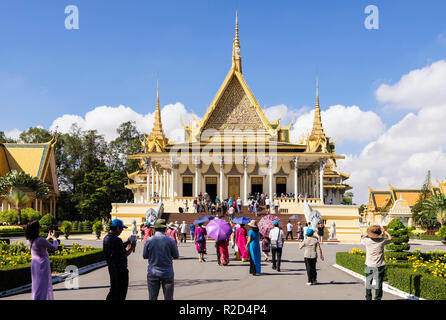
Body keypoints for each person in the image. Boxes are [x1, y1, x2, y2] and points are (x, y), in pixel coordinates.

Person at [143, 218, 179, 300]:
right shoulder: (170, 241)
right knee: (168, 298)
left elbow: (145, 255)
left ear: (155, 229)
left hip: (153, 272)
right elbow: (176, 255)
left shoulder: (149, 240)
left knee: (152, 297)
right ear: (165, 228)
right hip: (167, 272)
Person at [24, 221, 58, 300]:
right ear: (36, 229)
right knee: (43, 285)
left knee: (36, 284)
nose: (40, 229)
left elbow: (39, 245)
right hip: (42, 264)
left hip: (34, 264)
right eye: (39, 227)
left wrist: (48, 238)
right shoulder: (41, 240)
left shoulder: (29, 241)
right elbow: (54, 248)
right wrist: (54, 239)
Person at [103, 219, 136, 300]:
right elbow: (125, 254)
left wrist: (128, 242)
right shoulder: (117, 239)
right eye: (121, 228)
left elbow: (118, 247)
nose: (122, 230)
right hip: (120, 269)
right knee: (121, 292)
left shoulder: (107, 238)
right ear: (117, 228)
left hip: (112, 268)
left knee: (113, 290)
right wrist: (132, 247)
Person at [361, 225, 392, 300]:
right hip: (379, 265)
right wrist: (385, 231)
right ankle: (378, 298)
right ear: (379, 233)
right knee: (379, 283)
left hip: (369, 264)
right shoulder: (382, 241)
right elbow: (390, 238)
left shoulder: (366, 241)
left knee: (368, 282)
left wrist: (368, 234)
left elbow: (362, 238)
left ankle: (368, 298)